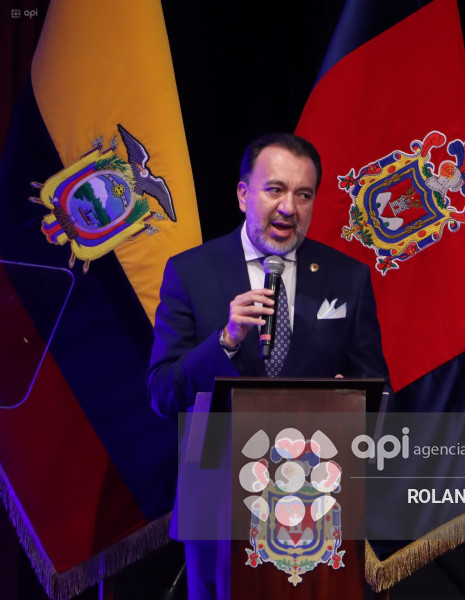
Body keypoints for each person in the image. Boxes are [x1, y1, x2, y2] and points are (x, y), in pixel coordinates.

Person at [147, 133, 390, 599]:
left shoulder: (347, 277)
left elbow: (381, 391)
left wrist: (354, 403)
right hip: (215, 498)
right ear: (243, 195)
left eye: (303, 195)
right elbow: (162, 393)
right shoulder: (191, 272)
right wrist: (225, 340)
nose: (288, 207)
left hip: (319, 500)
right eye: (274, 189)